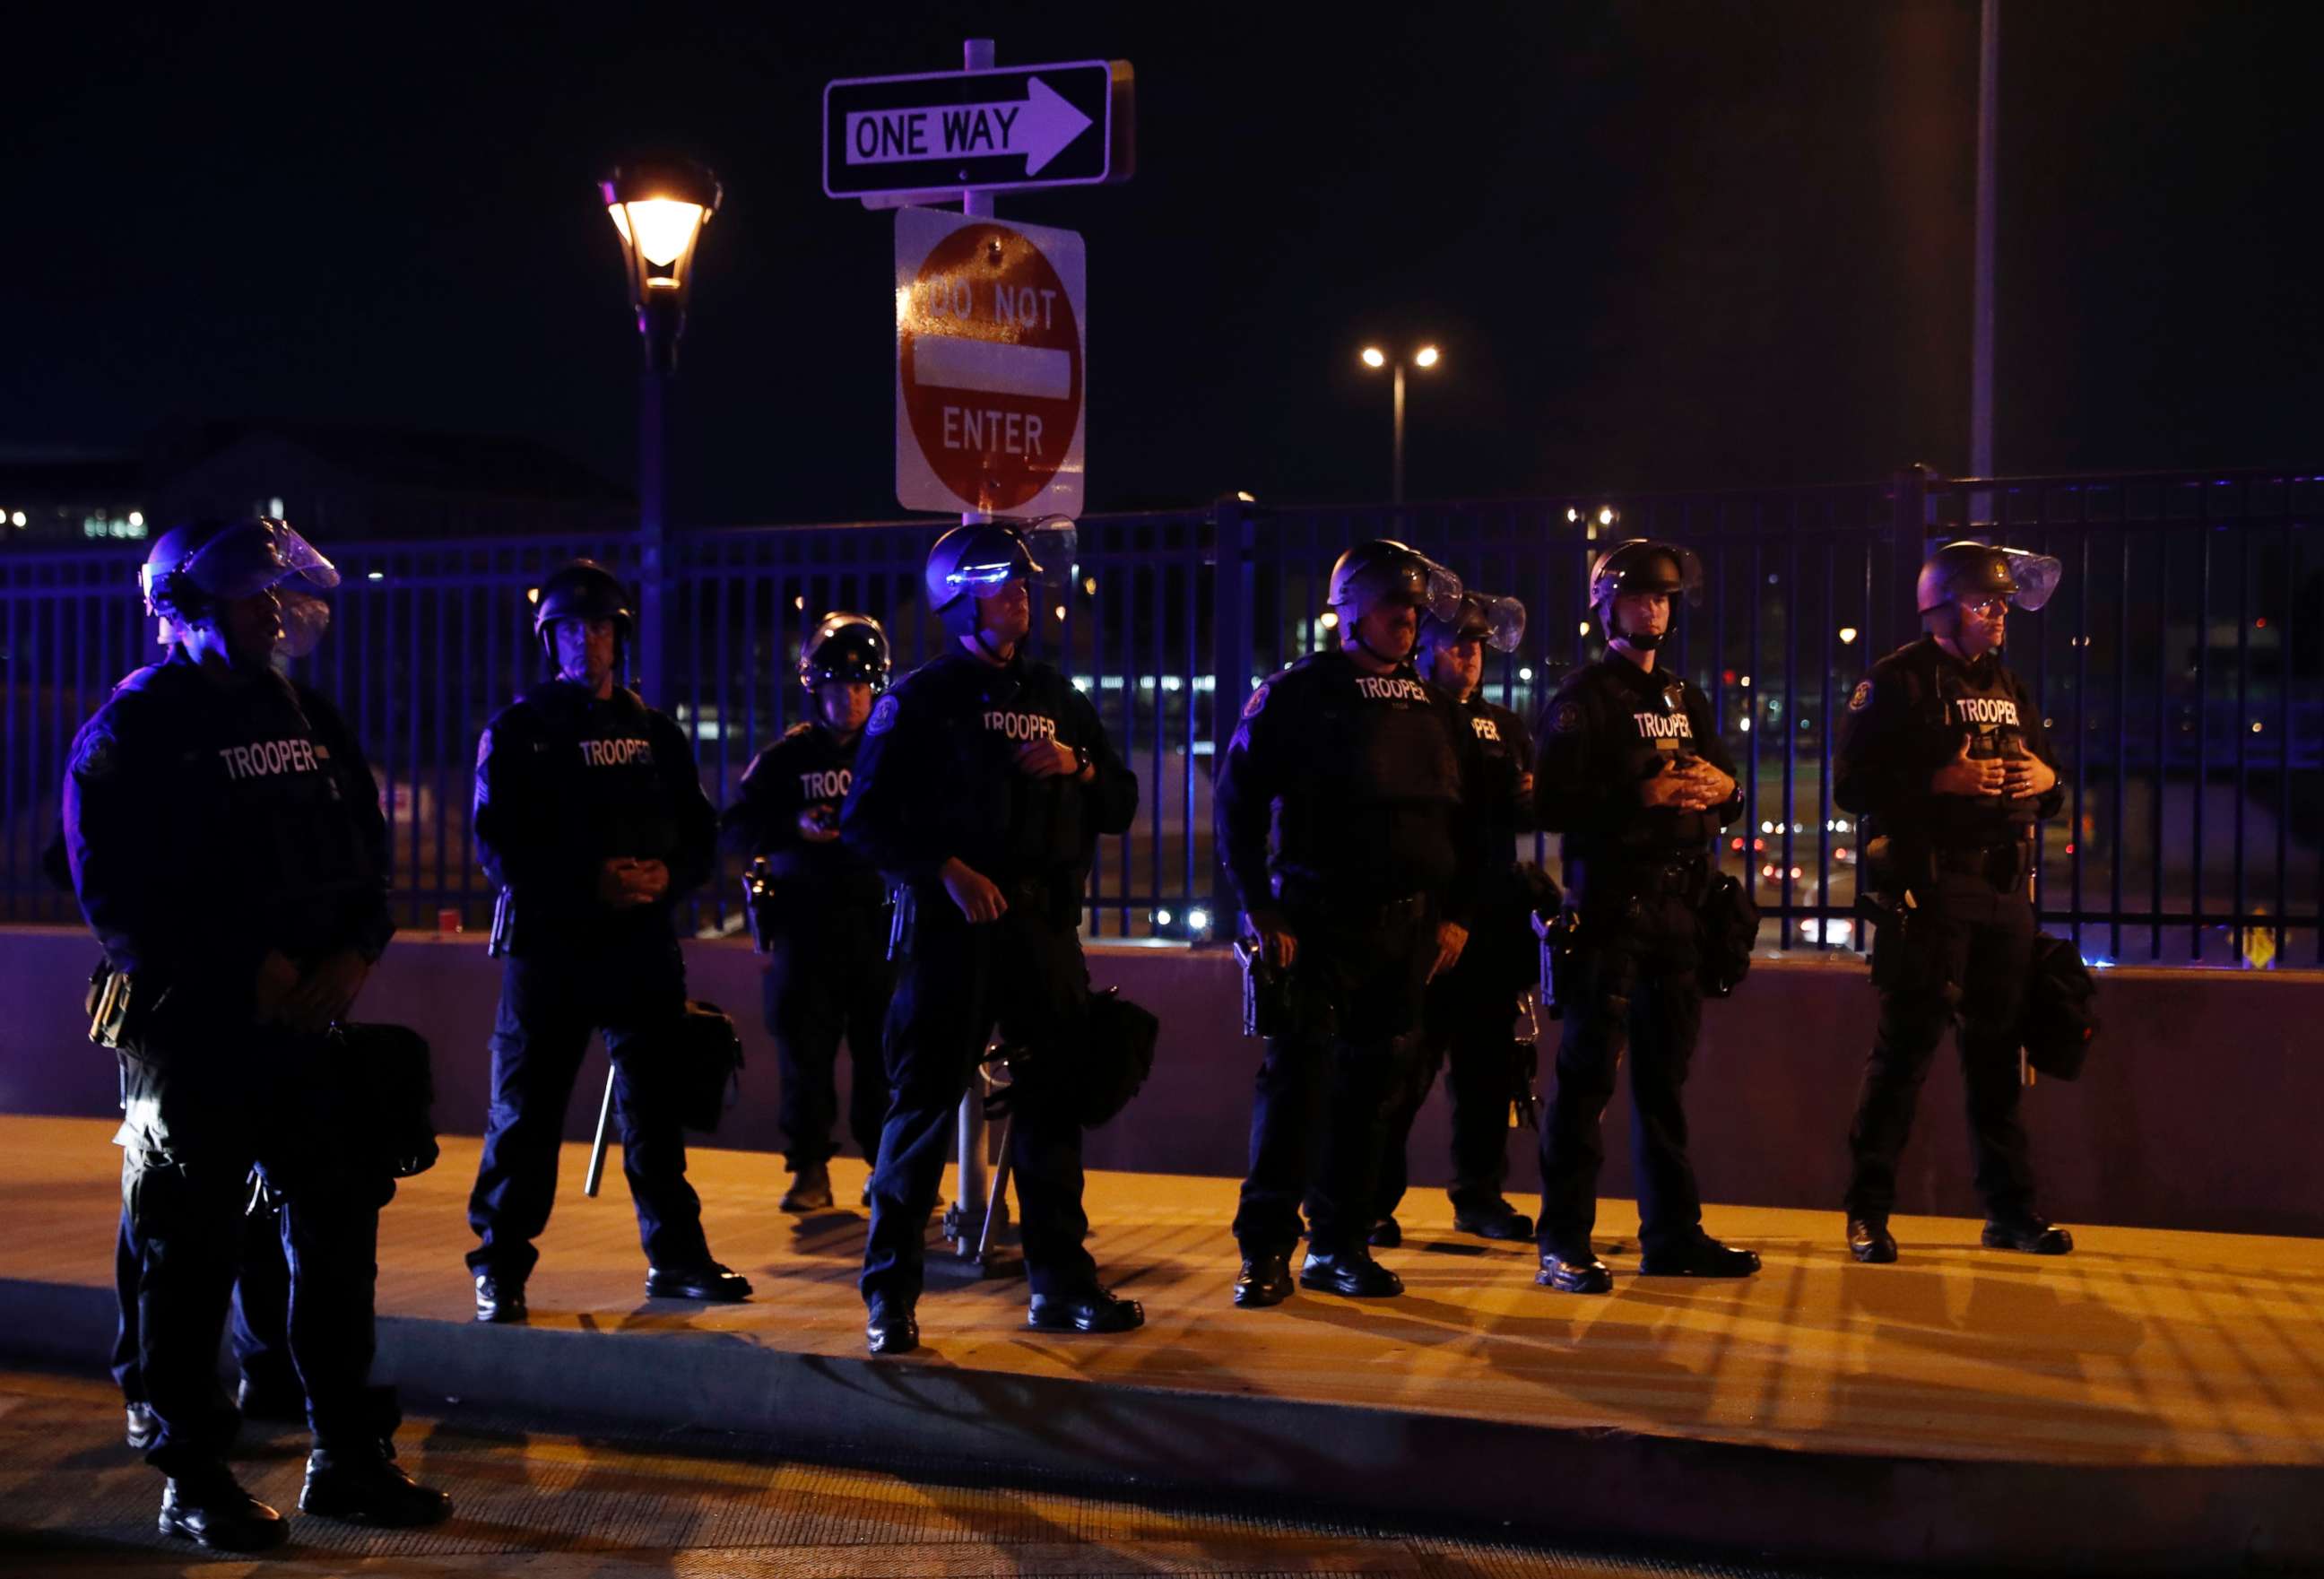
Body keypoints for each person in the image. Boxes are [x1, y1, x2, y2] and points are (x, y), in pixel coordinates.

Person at [62, 516, 448, 1550]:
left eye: (278, 595)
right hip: (199, 1036)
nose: (272, 613)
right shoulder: (134, 730)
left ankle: (348, 1459)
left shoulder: (304, 713)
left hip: (310, 1029)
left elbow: (364, 854)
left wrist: (357, 951)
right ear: (185, 610)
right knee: (189, 1257)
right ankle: (193, 1476)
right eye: (247, 596)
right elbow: (119, 893)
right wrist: (247, 966)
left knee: (336, 1242)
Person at [840, 519, 1140, 1355]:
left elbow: (1120, 800)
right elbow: (864, 820)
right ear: (960, 597)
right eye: (1006, 585)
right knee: (923, 1109)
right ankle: (890, 1296)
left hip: (1041, 928)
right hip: (954, 934)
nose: (1023, 598)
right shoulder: (921, 698)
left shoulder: (1055, 695)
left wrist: (1075, 766)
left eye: (1025, 586)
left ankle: (1061, 1285)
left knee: (1053, 1108)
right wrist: (944, 867)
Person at [465, 559, 747, 1323]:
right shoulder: (519, 733)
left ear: (617, 636)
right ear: (547, 639)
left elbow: (700, 831)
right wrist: (592, 883)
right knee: (525, 1114)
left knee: (655, 1110)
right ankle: (500, 1264)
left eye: (598, 627)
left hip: (641, 947)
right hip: (551, 951)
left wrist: (668, 875)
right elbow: (499, 846)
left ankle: (677, 1259)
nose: (586, 642)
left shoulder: (655, 732)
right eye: (569, 629)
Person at [1215, 538, 1478, 1308]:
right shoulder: (1298, 693)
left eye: (1417, 609)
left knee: (1373, 1097)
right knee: (1296, 1092)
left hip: (1407, 934)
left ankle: (1340, 1244)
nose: (1411, 620)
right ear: (1352, 610)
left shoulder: (1430, 704)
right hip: (1317, 927)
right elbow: (1237, 804)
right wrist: (1259, 906)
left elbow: (1465, 823)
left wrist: (1454, 916)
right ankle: (1264, 1250)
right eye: (1397, 605)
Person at [1834, 540, 2072, 1263]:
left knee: (1999, 1059)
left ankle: (2012, 1212)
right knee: (1903, 1054)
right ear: (1940, 607)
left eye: (2002, 602)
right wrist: (1938, 783)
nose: (1997, 613)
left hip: (2005, 892)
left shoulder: (2009, 684)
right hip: (1934, 890)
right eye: (1981, 601)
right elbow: (1852, 788)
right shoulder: (1898, 683)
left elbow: (2047, 783)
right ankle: (1868, 1212)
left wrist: (2047, 783)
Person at [1531, 538, 1757, 1294]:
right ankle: (1563, 1240)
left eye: (1663, 597)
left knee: (1665, 1081)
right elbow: (1553, 805)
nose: (1654, 608)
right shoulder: (1581, 701)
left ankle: (1672, 1234)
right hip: (1610, 908)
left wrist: (1723, 790)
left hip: (1681, 910)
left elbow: (1731, 788)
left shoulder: (1684, 699)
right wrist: (1640, 798)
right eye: (1640, 596)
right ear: (1606, 606)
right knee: (1587, 1080)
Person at [1374, 590, 1545, 1245]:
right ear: (1425, 649)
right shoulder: (1412, 715)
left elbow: (1514, 817)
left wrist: (1536, 797)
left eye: (1476, 644)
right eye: (1454, 642)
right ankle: (1369, 1201)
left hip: (1493, 924)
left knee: (1487, 1071)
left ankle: (1479, 1195)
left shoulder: (1506, 725)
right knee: (1401, 1067)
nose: (1468, 655)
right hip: (1430, 921)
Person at [721, 612, 896, 1212]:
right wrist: (790, 828)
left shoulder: (893, 752)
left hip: (879, 926)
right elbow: (735, 826)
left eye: (857, 686)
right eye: (833, 687)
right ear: (813, 690)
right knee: (805, 1055)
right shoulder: (786, 758)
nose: (847, 698)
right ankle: (809, 1170)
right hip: (805, 926)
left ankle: (888, 1171)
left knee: (884, 1054)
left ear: (875, 687)